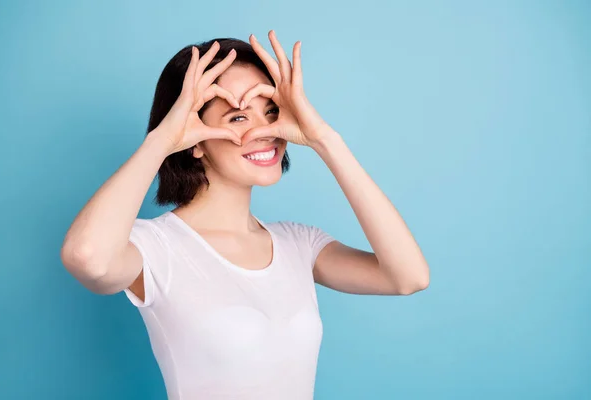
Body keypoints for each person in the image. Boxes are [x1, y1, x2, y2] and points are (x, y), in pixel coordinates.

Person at [61, 30, 430, 400]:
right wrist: (162, 140)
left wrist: (324, 139)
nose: (265, 131)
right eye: (238, 117)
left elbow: (408, 277)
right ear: (194, 138)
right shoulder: (156, 249)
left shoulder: (299, 244)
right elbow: (87, 259)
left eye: (270, 111)